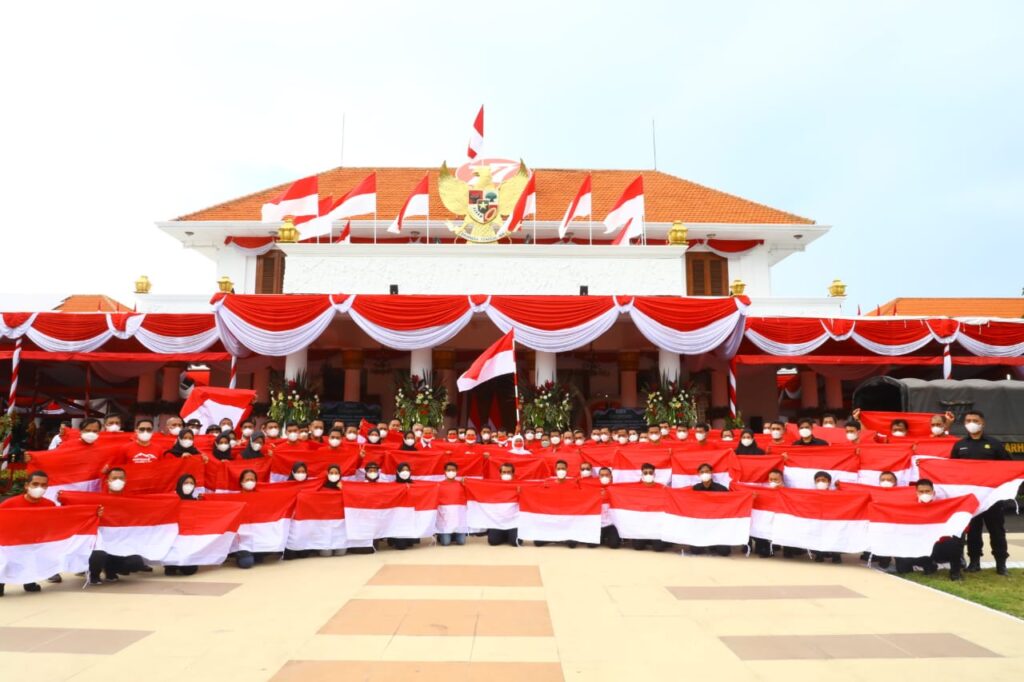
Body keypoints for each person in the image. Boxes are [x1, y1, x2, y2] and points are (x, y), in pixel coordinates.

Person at [951, 410, 1010, 575]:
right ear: (964, 424)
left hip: (992, 497)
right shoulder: (959, 445)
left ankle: (1001, 564)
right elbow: (952, 470)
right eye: (968, 420)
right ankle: (974, 562)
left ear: (982, 423)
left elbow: (1008, 467)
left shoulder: (995, 444)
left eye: (975, 420)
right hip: (971, 498)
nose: (971, 423)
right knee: (973, 531)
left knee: (997, 530)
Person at [894, 479, 965, 581]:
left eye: (927, 491)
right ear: (916, 492)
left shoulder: (943, 505)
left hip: (938, 544)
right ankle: (928, 564)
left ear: (933, 492)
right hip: (917, 543)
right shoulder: (909, 506)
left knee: (955, 539)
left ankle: (955, 572)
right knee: (902, 569)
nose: (924, 494)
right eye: (921, 491)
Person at [0, 471, 57, 596]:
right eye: (35, 484)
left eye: (43, 485)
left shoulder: (50, 505)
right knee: (5, 564)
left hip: (34, 543)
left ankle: (29, 582)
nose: (39, 488)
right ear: (26, 485)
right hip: (11, 543)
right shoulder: (9, 504)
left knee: (31, 561)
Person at [88, 468, 149, 584]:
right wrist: (95, 515)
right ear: (107, 481)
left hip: (121, 542)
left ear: (126, 481)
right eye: (114, 478)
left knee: (136, 563)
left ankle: (111, 571)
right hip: (102, 545)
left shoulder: (131, 500)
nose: (118, 481)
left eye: (121, 478)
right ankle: (94, 574)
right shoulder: (97, 500)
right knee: (98, 555)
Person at [689, 463, 731, 557]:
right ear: (698, 474)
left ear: (711, 472)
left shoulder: (721, 489)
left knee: (724, 552)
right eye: (702, 472)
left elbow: (730, 504)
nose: (705, 473)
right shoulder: (695, 489)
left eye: (707, 471)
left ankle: (712, 544)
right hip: (701, 524)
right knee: (695, 551)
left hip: (717, 525)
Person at [165, 474, 200, 577]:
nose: (188, 485)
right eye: (186, 483)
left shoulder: (196, 502)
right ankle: (170, 565)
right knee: (171, 570)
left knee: (190, 570)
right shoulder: (171, 501)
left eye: (191, 483)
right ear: (180, 484)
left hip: (189, 539)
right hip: (173, 538)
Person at [632, 463, 670, 552]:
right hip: (641, 524)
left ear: (654, 474)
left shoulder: (663, 488)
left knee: (658, 548)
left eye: (650, 472)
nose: (648, 475)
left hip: (656, 525)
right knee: (637, 547)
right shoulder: (635, 489)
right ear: (642, 475)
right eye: (645, 473)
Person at [811, 471, 842, 564]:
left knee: (835, 536)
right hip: (818, 520)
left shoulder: (836, 493)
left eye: (823, 480)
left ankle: (836, 555)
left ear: (829, 482)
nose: (820, 482)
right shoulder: (810, 494)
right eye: (818, 480)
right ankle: (819, 554)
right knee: (817, 536)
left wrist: (841, 487)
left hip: (832, 521)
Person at [487, 463, 519, 546]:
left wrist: (521, 493)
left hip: (513, 522)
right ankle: (505, 535)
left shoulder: (519, 486)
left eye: (509, 472)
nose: (506, 474)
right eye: (504, 472)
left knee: (515, 542)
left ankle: (510, 535)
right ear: (500, 473)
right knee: (493, 541)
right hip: (498, 521)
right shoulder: (493, 486)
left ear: (513, 473)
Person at [235, 469, 261, 569]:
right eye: (247, 480)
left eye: (252, 479)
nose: (250, 482)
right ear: (241, 482)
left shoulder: (261, 497)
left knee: (261, 557)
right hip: (242, 539)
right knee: (247, 563)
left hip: (257, 536)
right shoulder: (235, 498)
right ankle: (237, 553)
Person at [437, 461, 467, 547]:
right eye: (449, 470)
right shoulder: (439, 485)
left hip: (458, 518)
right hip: (445, 518)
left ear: (456, 471)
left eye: (453, 470)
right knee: (446, 543)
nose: (451, 472)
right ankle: (441, 535)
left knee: (461, 542)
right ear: (445, 472)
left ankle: (453, 534)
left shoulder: (461, 484)